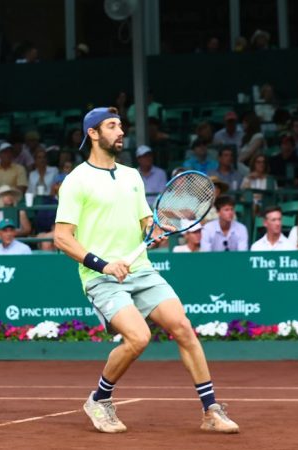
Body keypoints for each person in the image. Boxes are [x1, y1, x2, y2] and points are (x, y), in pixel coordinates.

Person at [53, 106, 239, 434]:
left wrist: (155, 229)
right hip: (101, 278)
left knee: (182, 326)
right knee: (139, 337)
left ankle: (211, 410)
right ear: (93, 134)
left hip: (141, 270)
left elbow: (146, 223)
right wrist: (104, 264)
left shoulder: (131, 176)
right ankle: (99, 399)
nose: (120, 131)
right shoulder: (75, 181)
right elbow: (62, 238)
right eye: (112, 126)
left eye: (121, 125)